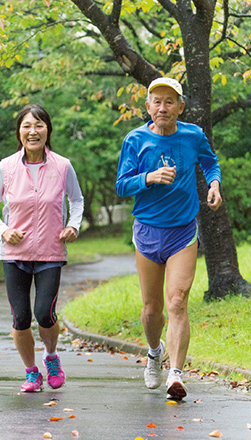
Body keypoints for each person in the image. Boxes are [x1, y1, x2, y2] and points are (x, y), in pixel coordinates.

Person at [115, 77, 222, 400]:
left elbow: (210, 162)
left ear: (180, 107)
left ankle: (176, 373)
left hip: (182, 232)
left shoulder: (193, 135)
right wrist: (148, 178)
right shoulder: (135, 140)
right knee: (152, 310)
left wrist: (214, 184)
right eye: (157, 101)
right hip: (147, 231)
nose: (163, 107)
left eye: (170, 101)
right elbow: (121, 186)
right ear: (148, 107)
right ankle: (153, 351)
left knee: (177, 301)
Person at [0, 104, 84, 393]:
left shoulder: (62, 166)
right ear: (19, 132)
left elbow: (76, 200)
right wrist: (3, 231)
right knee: (21, 317)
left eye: (39, 125)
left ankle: (51, 357)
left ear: (47, 130)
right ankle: (31, 373)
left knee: (45, 313)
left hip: (51, 251)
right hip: (14, 253)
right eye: (27, 126)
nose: (33, 131)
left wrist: (73, 226)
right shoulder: (5, 167)